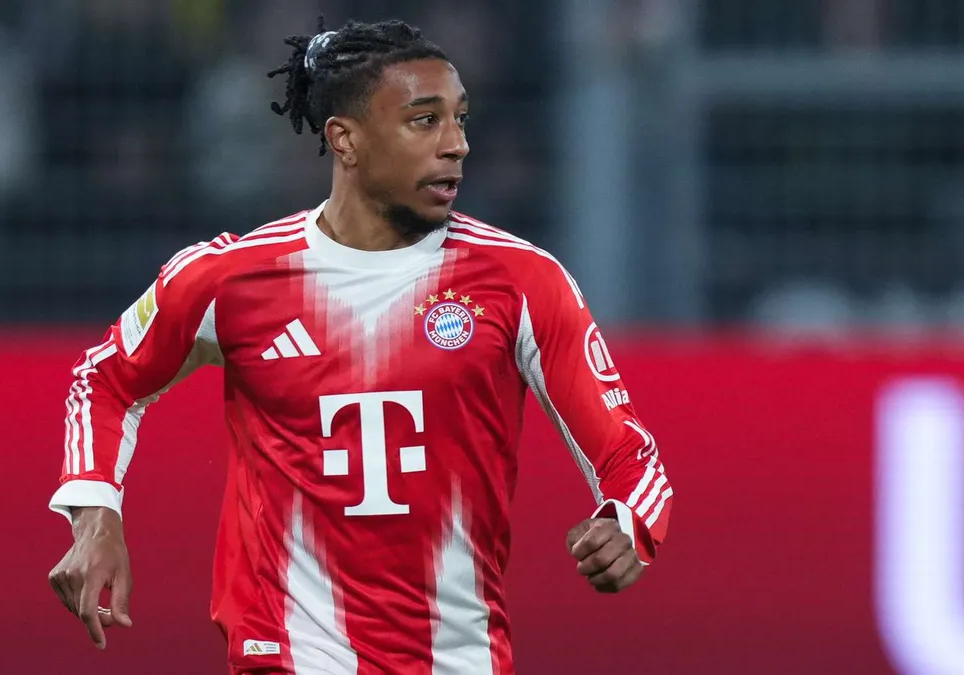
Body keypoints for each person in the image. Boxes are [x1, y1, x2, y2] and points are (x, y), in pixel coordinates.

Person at [47, 17, 674, 674]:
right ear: (344, 139)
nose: (456, 144)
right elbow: (105, 379)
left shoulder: (521, 281)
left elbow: (629, 454)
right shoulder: (233, 278)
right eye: (424, 121)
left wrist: (629, 521)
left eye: (460, 119)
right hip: (288, 655)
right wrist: (95, 514)